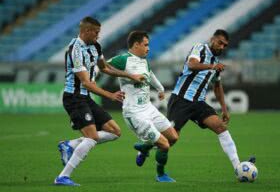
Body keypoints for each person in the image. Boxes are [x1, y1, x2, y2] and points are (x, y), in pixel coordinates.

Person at [54, 17, 144, 186]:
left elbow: (105, 68)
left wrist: (130, 76)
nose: (98, 36)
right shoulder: (75, 49)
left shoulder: (95, 46)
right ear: (86, 31)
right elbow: (86, 82)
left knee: (114, 131)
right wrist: (110, 95)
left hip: (85, 97)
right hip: (74, 97)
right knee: (92, 137)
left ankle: (70, 144)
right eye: (96, 32)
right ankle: (62, 177)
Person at [166, 29, 255, 175]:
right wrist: (212, 67)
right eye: (220, 43)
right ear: (212, 39)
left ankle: (238, 167)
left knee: (221, 127)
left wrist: (225, 109)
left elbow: (217, 86)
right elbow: (192, 65)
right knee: (171, 139)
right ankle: (147, 148)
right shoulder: (200, 48)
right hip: (181, 99)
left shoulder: (216, 63)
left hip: (198, 103)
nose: (222, 47)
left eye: (225, 45)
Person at [107, 31, 179, 182]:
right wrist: (127, 76)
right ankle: (161, 175)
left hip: (148, 108)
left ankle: (144, 148)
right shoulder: (123, 59)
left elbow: (150, 74)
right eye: (146, 45)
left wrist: (160, 89)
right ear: (136, 44)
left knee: (173, 137)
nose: (148, 48)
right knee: (164, 145)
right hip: (134, 113)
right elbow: (104, 66)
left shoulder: (143, 61)